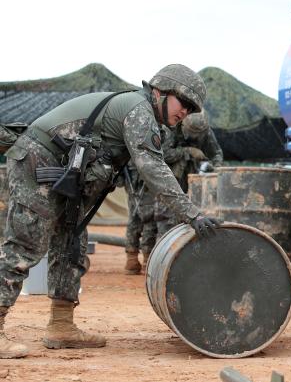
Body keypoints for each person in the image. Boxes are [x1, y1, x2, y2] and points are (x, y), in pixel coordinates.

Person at [0, 64, 221, 358]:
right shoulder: (140, 111)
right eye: (184, 103)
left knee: (71, 244)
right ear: (161, 92)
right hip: (38, 162)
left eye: (192, 109)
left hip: (61, 171)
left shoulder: (146, 113)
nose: (186, 113)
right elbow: (152, 168)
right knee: (25, 245)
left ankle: (61, 326)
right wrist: (193, 214)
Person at [154, 110, 224, 238]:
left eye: (197, 135)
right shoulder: (171, 128)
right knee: (166, 219)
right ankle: (164, 252)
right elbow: (162, 154)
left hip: (196, 181)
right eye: (192, 134)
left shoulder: (205, 131)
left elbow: (217, 154)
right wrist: (188, 151)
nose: (194, 137)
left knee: (196, 217)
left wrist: (214, 169)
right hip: (170, 180)